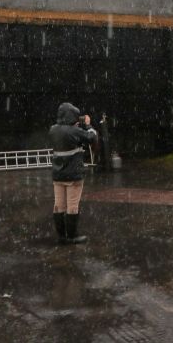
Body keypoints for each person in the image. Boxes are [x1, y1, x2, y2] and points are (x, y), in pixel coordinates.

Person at [50, 102, 97, 245]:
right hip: (73, 175)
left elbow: (66, 136)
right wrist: (88, 125)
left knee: (58, 205)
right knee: (72, 206)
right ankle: (72, 236)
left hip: (58, 174)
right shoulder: (74, 131)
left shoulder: (53, 129)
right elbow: (92, 137)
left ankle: (61, 236)